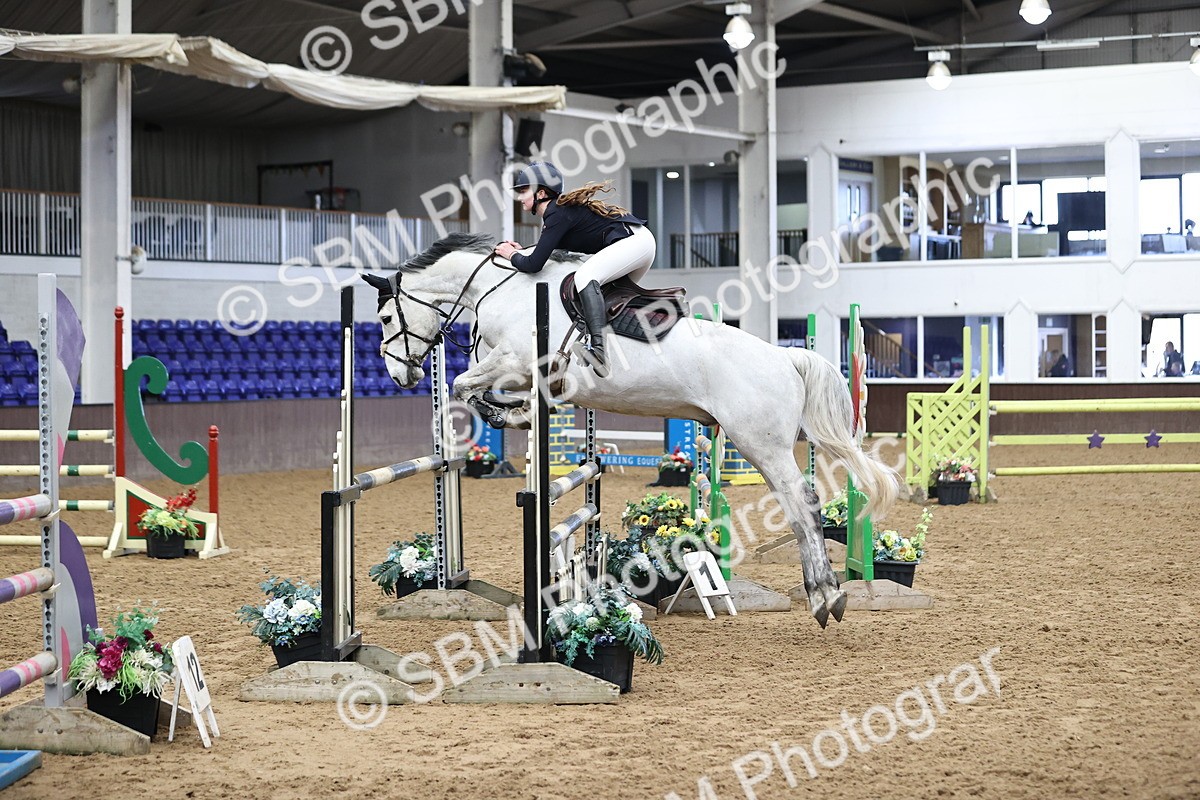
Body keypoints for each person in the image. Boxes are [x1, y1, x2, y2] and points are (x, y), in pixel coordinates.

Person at [494, 162, 655, 377]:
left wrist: (510, 254)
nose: (520, 197)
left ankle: (598, 351)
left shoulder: (556, 213)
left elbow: (533, 265)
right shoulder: (557, 213)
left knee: (586, 276)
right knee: (609, 299)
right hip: (639, 243)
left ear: (541, 193)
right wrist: (521, 251)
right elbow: (542, 254)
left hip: (635, 243)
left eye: (524, 191)